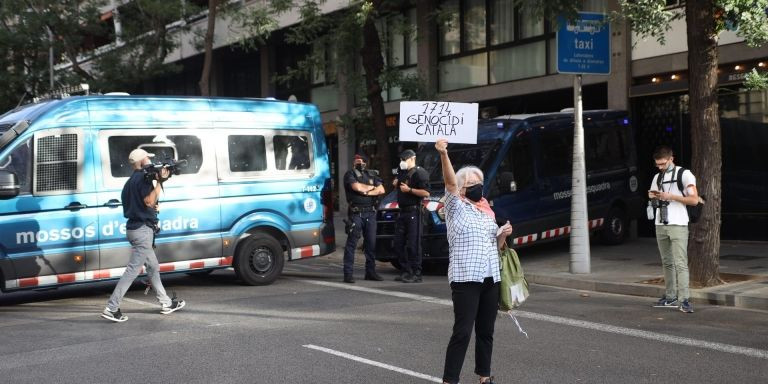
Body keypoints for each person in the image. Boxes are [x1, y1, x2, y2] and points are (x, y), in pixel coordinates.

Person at [435, 139, 513, 384]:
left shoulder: (487, 211)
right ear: (460, 188)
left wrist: (502, 236)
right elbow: (448, 181)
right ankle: (450, 380)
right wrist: (443, 153)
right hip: (465, 278)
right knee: (462, 332)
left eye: (477, 183)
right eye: (469, 184)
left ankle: (485, 377)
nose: (475, 187)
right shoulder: (455, 206)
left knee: (486, 332)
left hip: (490, 276)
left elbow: (495, 247)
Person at [101, 148, 186, 322]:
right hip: (142, 231)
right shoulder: (144, 179)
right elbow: (149, 201)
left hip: (133, 229)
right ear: (141, 161)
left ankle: (166, 303)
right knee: (132, 270)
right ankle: (112, 307)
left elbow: (137, 205)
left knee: (153, 266)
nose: (150, 161)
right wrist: (160, 183)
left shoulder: (129, 182)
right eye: (147, 158)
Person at [648, 145, 698, 314]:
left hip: (678, 223)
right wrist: (653, 197)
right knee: (667, 262)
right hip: (660, 223)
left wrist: (672, 197)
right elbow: (653, 195)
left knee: (680, 263)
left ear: (671, 159)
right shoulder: (657, 177)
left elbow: (694, 200)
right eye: (658, 165)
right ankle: (670, 297)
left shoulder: (684, 174)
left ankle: (684, 300)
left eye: (663, 164)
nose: (660, 167)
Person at [342, 153, 386, 283]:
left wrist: (366, 191)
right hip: (356, 214)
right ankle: (348, 274)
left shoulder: (372, 174)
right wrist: (372, 189)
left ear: (366, 163)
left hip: (370, 214)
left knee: (371, 245)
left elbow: (382, 190)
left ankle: (370, 272)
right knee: (351, 244)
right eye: (356, 161)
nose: (358, 163)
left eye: (360, 161)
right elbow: (356, 187)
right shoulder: (350, 174)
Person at [392, 148, 430, 283]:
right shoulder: (402, 171)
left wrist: (410, 190)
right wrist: (396, 181)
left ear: (412, 158)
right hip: (402, 211)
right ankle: (406, 271)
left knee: (414, 244)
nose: (402, 162)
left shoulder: (420, 173)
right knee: (398, 243)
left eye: (404, 159)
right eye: (401, 159)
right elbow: (397, 182)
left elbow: (426, 193)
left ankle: (416, 273)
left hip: (414, 211)